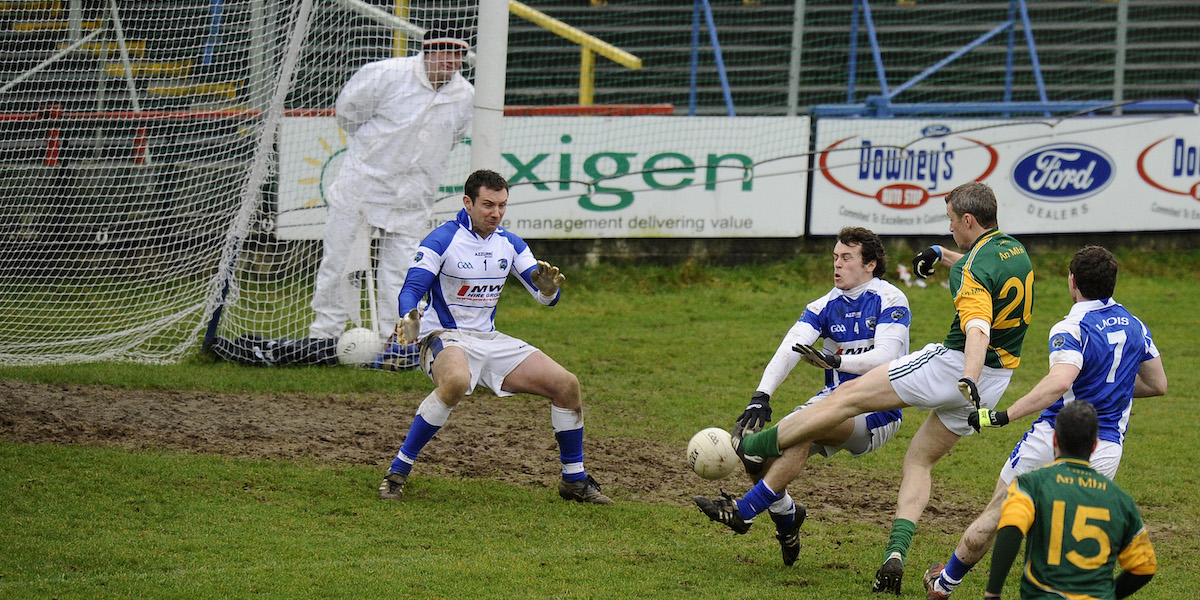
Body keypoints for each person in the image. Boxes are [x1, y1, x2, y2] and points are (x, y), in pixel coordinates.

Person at [733, 181, 1034, 595]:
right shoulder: (1014, 250)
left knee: (842, 397)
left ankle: (754, 450)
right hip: (998, 381)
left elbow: (977, 326)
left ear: (968, 219)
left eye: (950, 222)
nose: (949, 229)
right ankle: (895, 555)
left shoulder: (965, 273)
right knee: (919, 462)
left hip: (956, 369)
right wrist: (942, 255)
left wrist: (967, 374)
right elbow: (982, 270)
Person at [922, 245, 1167, 599]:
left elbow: (1060, 382)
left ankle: (945, 584)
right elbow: (1158, 384)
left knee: (998, 514)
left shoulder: (1071, 326)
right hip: (1106, 445)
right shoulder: (1136, 326)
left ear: (1072, 282)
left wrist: (1004, 414)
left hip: (1053, 435)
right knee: (1072, 524)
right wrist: (1110, 388)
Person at [377, 169, 612, 505]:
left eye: (502, 205)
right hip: (444, 336)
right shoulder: (441, 239)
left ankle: (574, 480)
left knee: (566, 384)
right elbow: (413, 288)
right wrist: (409, 317)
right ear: (467, 202)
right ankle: (397, 473)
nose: (496, 213)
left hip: (489, 339)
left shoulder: (510, 243)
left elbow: (543, 294)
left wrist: (548, 290)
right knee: (456, 381)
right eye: (488, 204)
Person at [694, 227, 912, 566]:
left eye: (846, 258)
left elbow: (886, 356)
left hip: (877, 409)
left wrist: (838, 361)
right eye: (835, 258)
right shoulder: (824, 305)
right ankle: (787, 517)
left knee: (800, 430)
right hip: (834, 401)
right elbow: (791, 347)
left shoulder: (891, 298)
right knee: (762, 456)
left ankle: (745, 512)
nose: (837, 265)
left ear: (870, 264)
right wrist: (760, 395)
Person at [308, 22, 474, 342]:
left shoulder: (465, 96)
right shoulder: (387, 74)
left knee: (403, 272)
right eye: (444, 52)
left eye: (458, 54)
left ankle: (394, 339)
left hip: (414, 197)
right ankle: (324, 336)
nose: (450, 61)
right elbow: (348, 114)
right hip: (362, 186)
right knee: (340, 263)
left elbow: (453, 137)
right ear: (428, 51)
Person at [985, 401, 1158, 599]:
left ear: (1055, 440)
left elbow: (1012, 527)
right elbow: (1145, 566)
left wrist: (993, 593)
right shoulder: (1121, 500)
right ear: (1094, 446)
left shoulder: (1031, 484)